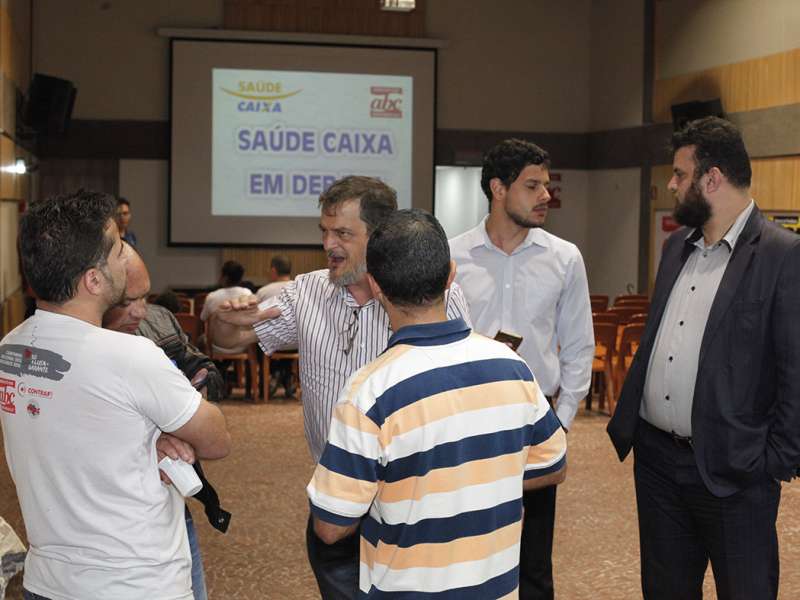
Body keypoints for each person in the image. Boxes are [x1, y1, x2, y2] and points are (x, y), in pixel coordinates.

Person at [214, 176, 472, 599]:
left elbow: (459, 389)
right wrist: (229, 322)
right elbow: (229, 342)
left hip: (416, 500)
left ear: (382, 238)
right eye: (325, 232)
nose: (329, 244)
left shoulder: (433, 296)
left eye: (343, 234)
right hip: (336, 499)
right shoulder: (308, 292)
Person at [307, 208, 567, 597]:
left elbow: (331, 525)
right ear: (450, 274)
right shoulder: (511, 366)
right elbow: (552, 466)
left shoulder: (368, 392)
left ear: (375, 285)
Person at [0, 189, 231, 600]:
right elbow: (216, 439)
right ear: (94, 279)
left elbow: (78, 423)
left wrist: (146, 430)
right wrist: (161, 426)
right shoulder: (130, 356)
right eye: (119, 248)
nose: (126, 254)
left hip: (48, 583)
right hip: (134, 584)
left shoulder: (11, 349)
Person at [607, 116, 800, 600]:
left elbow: (795, 370)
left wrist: (774, 459)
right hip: (657, 464)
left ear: (711, 178)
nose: (671, 185)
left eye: (679, 174)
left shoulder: (783, 255)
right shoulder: (677, 246)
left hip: (735, 471)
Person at [448, 138, 594, 600]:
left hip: (535, 421)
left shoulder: (564, 258)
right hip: (461, 420)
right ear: (497, 188)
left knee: (533, 560)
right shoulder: (451, 258)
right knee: (462, 545)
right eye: (532, 186)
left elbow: (577, 345)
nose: (546, 196)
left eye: (546, 186)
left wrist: (562, 421)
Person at [102, 244, 231, 600]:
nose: (139, 311)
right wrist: (153, 434)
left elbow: (206, 370)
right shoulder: (85, 342)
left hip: (171, 497)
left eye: (146, 296)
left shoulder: (159, 321)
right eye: (127, 301)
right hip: (111, 514)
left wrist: (189, 407)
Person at [256, 255, 296, 397]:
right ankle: (287, 375)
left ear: (273, 270)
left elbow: (255, 317)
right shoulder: (298, 288)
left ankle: (270, 378)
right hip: (298, 343)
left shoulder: (264, 291)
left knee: (258, 339)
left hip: (271, 343)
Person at [201, 260, 253, 354]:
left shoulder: (212, 296)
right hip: (243, 344)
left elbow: (203, 319)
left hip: (217, 345)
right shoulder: (247, 293)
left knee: (200, 340)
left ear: (224, 277)